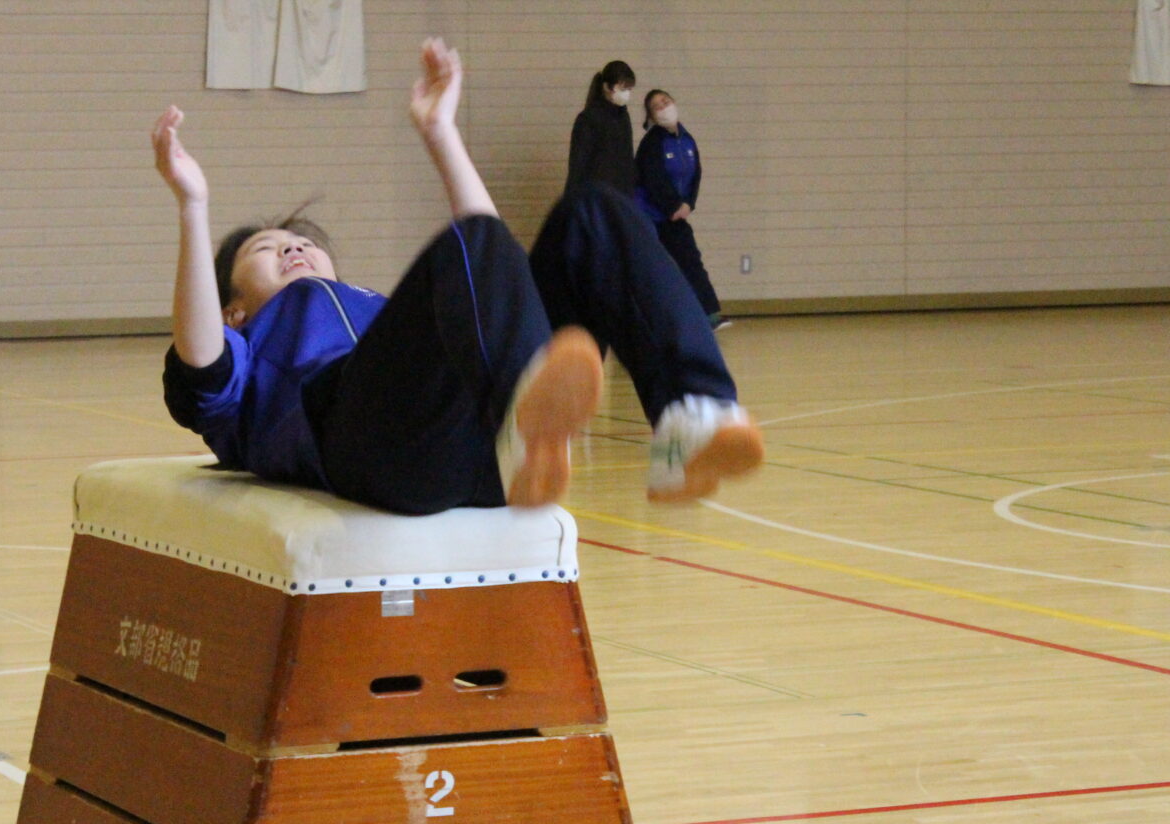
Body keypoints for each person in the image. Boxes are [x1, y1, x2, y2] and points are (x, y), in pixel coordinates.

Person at [153, 39, 763, 516]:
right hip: (371, 447)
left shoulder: (378, 312)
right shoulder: (244, 351)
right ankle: (523, 422)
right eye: (266, 249)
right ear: (234, 308)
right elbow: (200, 360)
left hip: (480, 447)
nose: (293, 249)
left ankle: (693, 414)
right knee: (469, 247)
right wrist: (192, 207)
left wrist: (441, 133)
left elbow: (495, 266)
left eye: (302, 243)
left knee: (595, 213)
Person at [636, 89, 725, 330]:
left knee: (691, 261)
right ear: (651, 116)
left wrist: (688, 203)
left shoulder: (687, 140)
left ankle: (709, 314)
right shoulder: (652, 144)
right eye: (656, 106)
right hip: (651, 217)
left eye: (665, 101)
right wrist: (672, 206)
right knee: (651, 270)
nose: (664, 107)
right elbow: (654, 180)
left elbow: (695, 175)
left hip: (675, 216)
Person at [565, 60, 636, 195]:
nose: (627, 93)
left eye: (629, 89)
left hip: (621, 194)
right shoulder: (588, 118)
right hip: (597, 194)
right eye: (622, 88)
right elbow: (578, 164)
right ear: (607, 87)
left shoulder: (623, 116)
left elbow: (627, 157)